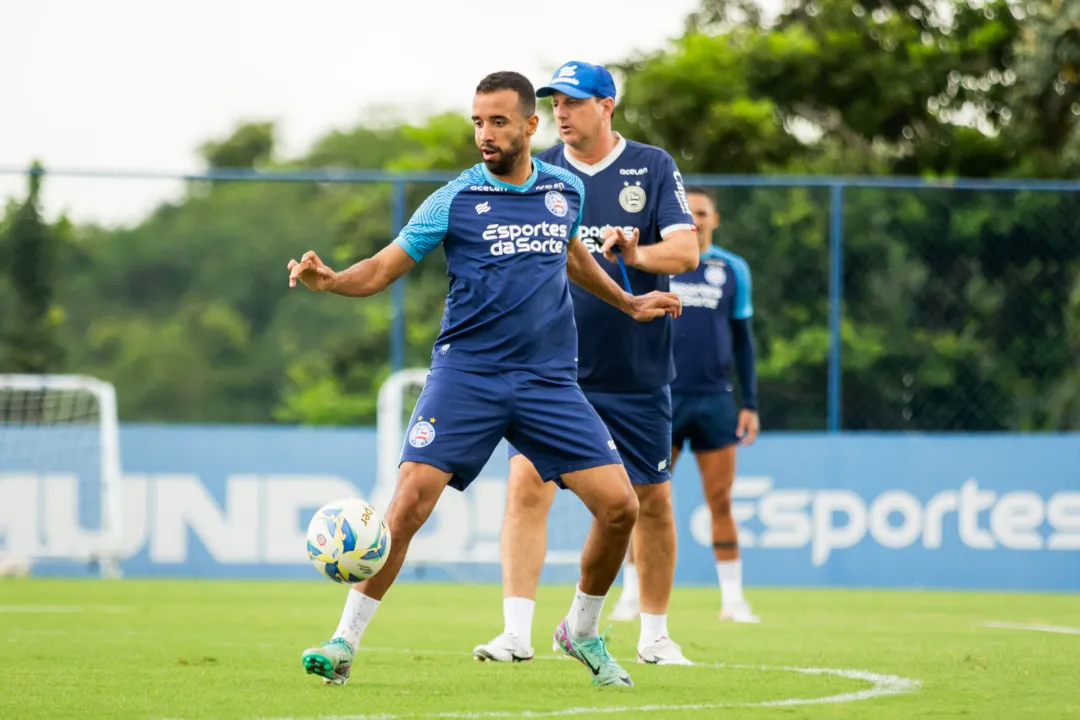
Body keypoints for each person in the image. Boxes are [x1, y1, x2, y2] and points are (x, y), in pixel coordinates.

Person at [289, 71, 682, 689]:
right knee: (409, 504)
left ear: (531, 126)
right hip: (465, 377)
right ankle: (343, 643)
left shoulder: (564, 191)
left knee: (620, 508)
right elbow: (383, 267)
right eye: (477, 121)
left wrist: (629, 304)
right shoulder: (454, 199)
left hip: (549, 383)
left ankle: (580, 631)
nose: (484, 134)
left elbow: (572, 256)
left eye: (498, 121)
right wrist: (333, 280)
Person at [472, 61, 700, 667]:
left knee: (651, 500)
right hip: (554, 370)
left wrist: (635, 249)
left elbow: (686, 248)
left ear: (607, 105)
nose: (561, 113)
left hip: (635, 369)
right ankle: (516, 632)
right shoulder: (539, 172)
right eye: (554, 103)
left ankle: (653, 634)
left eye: (573, 101)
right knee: (526, 485)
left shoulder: (651, 167)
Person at [669, 186, 761, 623]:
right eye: (689, 214)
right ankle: (631, 596)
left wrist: (751, 403)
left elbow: (744, 341)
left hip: (716, 400)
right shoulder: (660, 259)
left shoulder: (733, 268)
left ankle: (733, 600)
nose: (697, 220)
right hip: (662, 397)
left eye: (703, 213)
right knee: (645, 499)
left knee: (720, 500)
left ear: (714, 219)